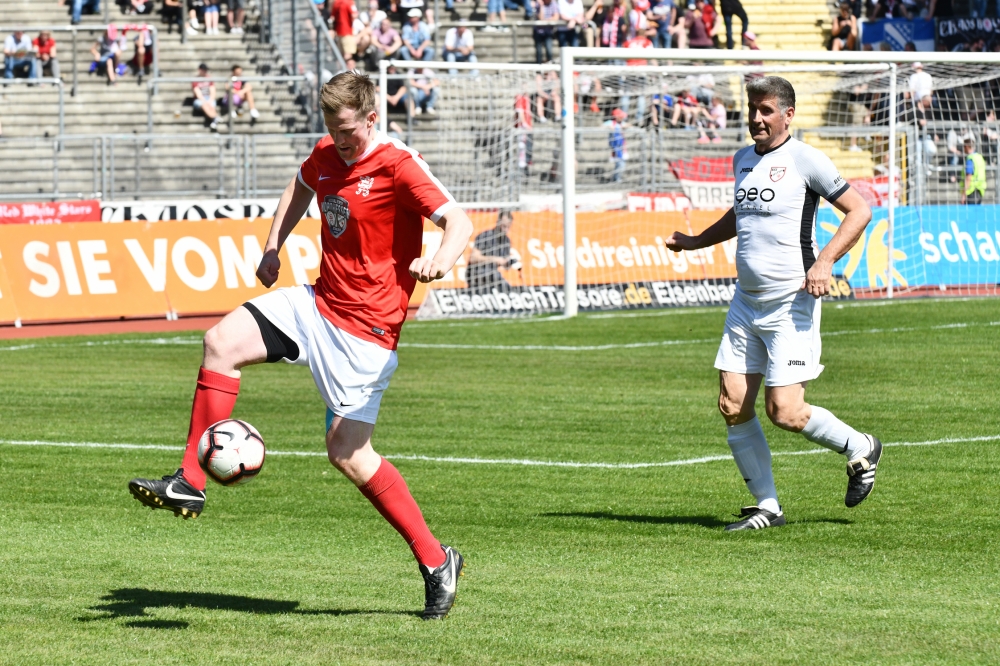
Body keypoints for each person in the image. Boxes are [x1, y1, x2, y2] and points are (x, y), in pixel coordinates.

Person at [128, 71, 472, 620]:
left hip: (367, 334)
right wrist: (272, 247)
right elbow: (301, 184)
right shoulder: (326, 152)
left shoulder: (398, 165)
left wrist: (440, 260)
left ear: (371, 119)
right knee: (220, 341)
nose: (340, 142)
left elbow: (458, 219)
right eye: (332, 131)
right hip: (317, 304)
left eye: (349, 132)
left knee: (348, 455)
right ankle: (190, 481)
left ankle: (436, 561)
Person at [664, 76, 880, 531]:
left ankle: (860, 446)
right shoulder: (743, 159)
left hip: (790, 301)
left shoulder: (806, 160)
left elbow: (860, 210)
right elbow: (740, 215)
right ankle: (768, 506)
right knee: (732, 403)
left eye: (766, 110)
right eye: (752, 109)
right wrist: (697, 240)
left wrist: (824, 262)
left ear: (788, 114)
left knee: (785, 412)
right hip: (746, 301)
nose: (757, 119)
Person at [467, 211, 516, 293]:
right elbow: (473, 258)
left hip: (493, 275)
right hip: (477, 274)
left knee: (509, 291)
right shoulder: (485, 236)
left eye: (508, 227)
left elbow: (505, 267)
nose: (506, 229)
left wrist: (506, 263)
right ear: (498, 222)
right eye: (504, 226)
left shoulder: (506, 241)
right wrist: (495, 259)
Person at [191, 62, 220, 131]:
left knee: (211, 105)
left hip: (208, 98)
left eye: (206, 70)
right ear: (199, 70)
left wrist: (210, 100)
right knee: (204, 105)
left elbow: (213, 91)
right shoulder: (195, 80)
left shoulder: (209, 78)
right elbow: (198, 94)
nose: (205, 71)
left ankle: (214, 120)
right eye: (204, 69)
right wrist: (205, 102)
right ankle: (215, 117)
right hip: (199, 99)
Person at [332, 0, 358, 69]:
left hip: (338, 31)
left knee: (340, 55)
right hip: (347, 32)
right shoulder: (349, 2)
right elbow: (354, 15)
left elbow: (332, 17)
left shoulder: (336, 2)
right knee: (348, 55)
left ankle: (339, 72)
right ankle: (346, 74)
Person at [962, 138, 987, 205]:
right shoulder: (979, 157)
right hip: (980, 190)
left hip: (971, 191)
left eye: (963, 147)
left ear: (967, 147)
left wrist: (964, 194)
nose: (963, 149)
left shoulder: (970, 159)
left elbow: (968, 177)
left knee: (969, 214)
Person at [608, 108, 627, 182]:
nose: (622, 118)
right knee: (619, 163)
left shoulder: (621, 124)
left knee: (621, 163)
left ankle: (616, 177)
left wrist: (625, 126)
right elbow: (602, 126)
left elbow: (628, 125)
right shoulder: (611, 123)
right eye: (621, 116)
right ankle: (616, 178)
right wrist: (609, 127)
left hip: (622, 146)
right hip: (615, 146)